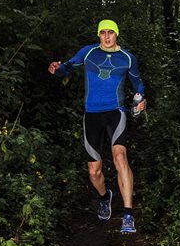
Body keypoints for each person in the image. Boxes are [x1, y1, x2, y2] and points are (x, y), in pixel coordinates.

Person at [48, 19, 146, 234]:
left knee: (120, 157)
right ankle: (105, 197)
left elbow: (137, 82)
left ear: (117, 34)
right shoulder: (89, 52)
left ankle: (128, 215)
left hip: (115, 112)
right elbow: (68, 66)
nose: (107, 37)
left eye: (111, 32)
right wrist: (57, 68)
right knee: (94, 172)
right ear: (99, 35)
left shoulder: (128, 58)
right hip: (92, 115)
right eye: (103, 33)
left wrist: (140, 98)